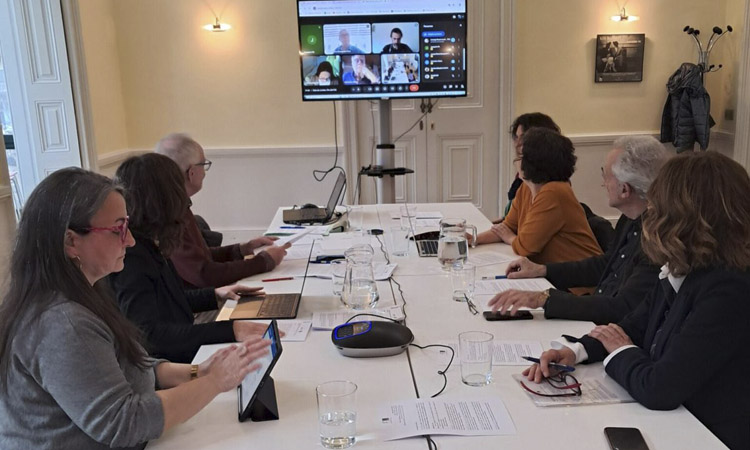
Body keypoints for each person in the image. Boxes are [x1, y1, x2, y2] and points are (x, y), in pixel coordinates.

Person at [0, 168, 270, 449]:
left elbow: (132, 364)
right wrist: (214, 382)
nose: (129, 240)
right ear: (71, 241)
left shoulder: (81, 292)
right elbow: (123, 423)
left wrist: (198, 372)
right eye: (118, 229)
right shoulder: (61, 323)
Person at [525, 151, 750, 450]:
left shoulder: (729, 289)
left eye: (658, 207)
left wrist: (620, 349)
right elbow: (635, 325)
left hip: (707, 435)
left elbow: (659, 388)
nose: (650, 215)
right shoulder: (687, 266)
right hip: (675, 424)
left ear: (685, 217)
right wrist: (576, 351)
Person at [110, 153, 273, 363]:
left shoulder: (151, 242)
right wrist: (231, 330)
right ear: (164, 199)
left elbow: (168, 301)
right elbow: (150, 335)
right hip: (170, 365)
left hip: (181, 352)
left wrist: (215, 295)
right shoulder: (132, 257)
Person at [488, 136, 669, 323]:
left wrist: (543, 299)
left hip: (608, 327)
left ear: (624, 189)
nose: (603, 184)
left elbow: (621, 308)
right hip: (596, 313)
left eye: (606, 176)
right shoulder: (629, 219)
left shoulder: (658, 240)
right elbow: (605, 265)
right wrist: (542, 270)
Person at [475, 128, 602, 293]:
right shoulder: (526, 188)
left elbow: (525, 246)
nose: (516, 161)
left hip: (579, 287)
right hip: (552, 279)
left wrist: (509, 237)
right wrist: (473, 239)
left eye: (520, 156)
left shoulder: (554, 192)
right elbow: (507, 227)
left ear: (531, 163)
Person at [155, 133, 290, 288]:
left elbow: (202, 258)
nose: (205, 172)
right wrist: (264, 261)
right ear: (191, 173)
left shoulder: (175, 204)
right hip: (199, 301)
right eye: (203, 164)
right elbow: (205, 275)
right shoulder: (169, 215)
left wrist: (244, 248)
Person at [493, 113, 561, 223]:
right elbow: (513, 218)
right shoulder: (522, 181)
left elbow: (534, 221)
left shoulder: (551, 184)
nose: (517, 144)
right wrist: (504, 223)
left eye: (523, 137)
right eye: (516, 137)